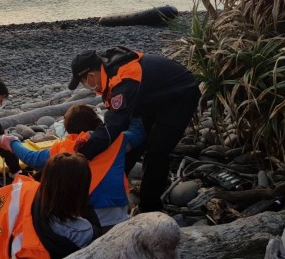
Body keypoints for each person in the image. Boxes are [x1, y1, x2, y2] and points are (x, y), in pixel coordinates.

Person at [67, 46, 200, 213]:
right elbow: (115, 122)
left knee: (157, 150)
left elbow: (114, 126)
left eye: (82, 82)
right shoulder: (108, 73)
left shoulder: (124, 78)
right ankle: (115, 186)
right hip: (153, 95)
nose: (84, 85)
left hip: (181, 93)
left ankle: (150, 207)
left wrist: (82, 156)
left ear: (91, 76)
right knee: (135, 142)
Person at [0, 104, 145, 231]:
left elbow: (32, 159)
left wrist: (12, 142)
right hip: (118, 214)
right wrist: (132, 113)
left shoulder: (66, 147)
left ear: (68, 129)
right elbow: (139, 134)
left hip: (84, 219)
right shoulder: (118, 139)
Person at [0, 152, 101, 259]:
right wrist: (83, 199)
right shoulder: (80, 230)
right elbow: (97, 230)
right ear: (80, 190)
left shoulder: (28, 188)